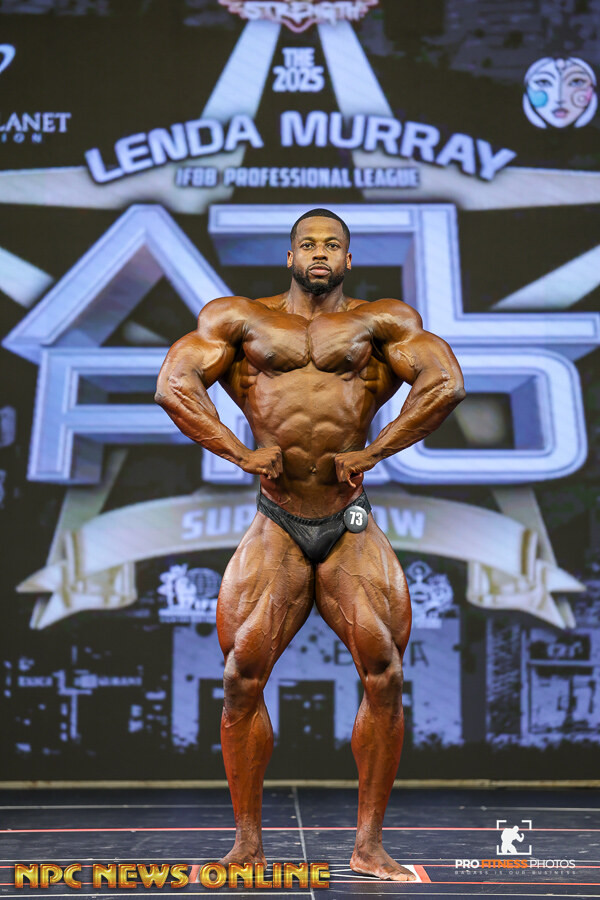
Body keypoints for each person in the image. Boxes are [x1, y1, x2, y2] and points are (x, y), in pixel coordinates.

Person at [155, 208, 465, 882]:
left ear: (347, 260)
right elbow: (174, 384)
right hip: (278, 519)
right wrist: (238, 452)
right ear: (290, 256)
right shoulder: (239, 319)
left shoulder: (382, 323)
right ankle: (247, 844)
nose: (319, 253)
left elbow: (445, 382)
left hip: (349, 520)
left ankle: (369, 846)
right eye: (307, 244)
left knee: (385, 673)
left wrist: (375, 450)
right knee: (240, 678)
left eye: (331, 245)